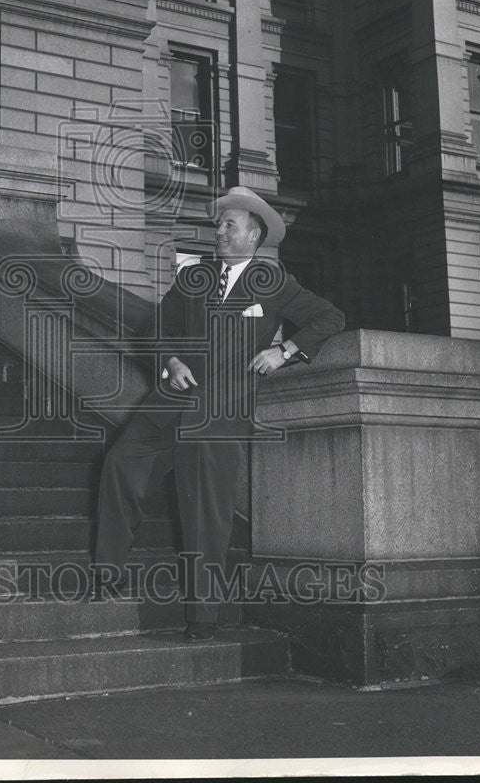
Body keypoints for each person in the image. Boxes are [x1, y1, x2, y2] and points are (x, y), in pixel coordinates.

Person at [92, 186, 345, 639]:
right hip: (168, 404)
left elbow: (330, 317)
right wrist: (170, 360)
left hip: (220, 414)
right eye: (219, 225)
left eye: (230, 225)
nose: (220, 232)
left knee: (206, 512)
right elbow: (155, 330)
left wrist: (285, 351)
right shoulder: (194, 277)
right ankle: (107, 573)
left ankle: (202, 618)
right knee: (119, 464)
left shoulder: (275, 282)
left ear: (254, 236)